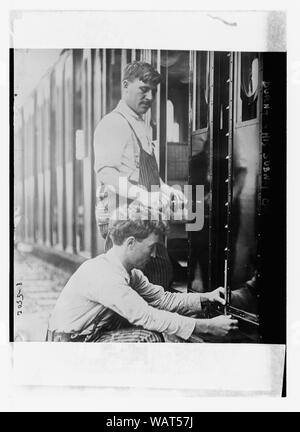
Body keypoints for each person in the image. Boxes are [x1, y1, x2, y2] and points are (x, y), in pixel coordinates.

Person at [46, 204, 239, 343]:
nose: (155, 254)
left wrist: (206, 298)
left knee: (166, 328)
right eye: (152, 247)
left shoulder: (129, 273)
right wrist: (209, 326)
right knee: (149, 337)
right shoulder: (106, 276)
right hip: (71, 346)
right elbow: (148, 316)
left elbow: (163, 301)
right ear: (130, 243)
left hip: (88, 336)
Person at [93, 61, 187, 290]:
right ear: (126, 86)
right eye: (143, 89)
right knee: (133, 284)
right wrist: (141, 195)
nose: (150, 97)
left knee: (160, 273)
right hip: (125, 223)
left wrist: (167, 189)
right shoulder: (114, 123)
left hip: (144, 218)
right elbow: (105, 172)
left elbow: (147, 171)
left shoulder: (142, 126)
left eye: (152, 91)